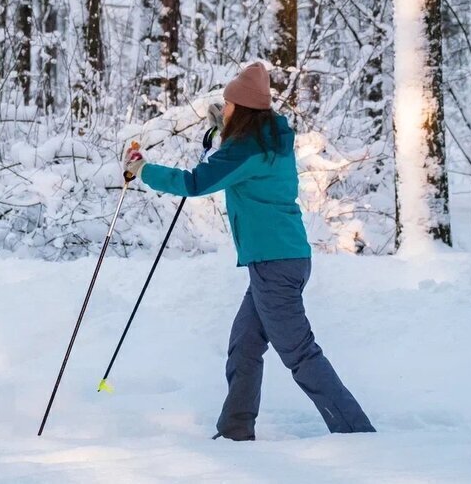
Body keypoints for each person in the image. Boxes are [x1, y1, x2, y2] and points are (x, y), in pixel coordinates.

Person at [124, 62, 375, 440]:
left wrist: (143, 169)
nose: (222, 108)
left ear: (240, 109)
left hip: (274, 264)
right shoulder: (270, 140)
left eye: (227, 105)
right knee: (244, 345)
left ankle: (357, 433)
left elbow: (195, 182)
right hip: (282, 259)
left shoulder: (247, 151)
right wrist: (225, 134)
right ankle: (235, 431)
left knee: (300, 354)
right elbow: (244, 159)